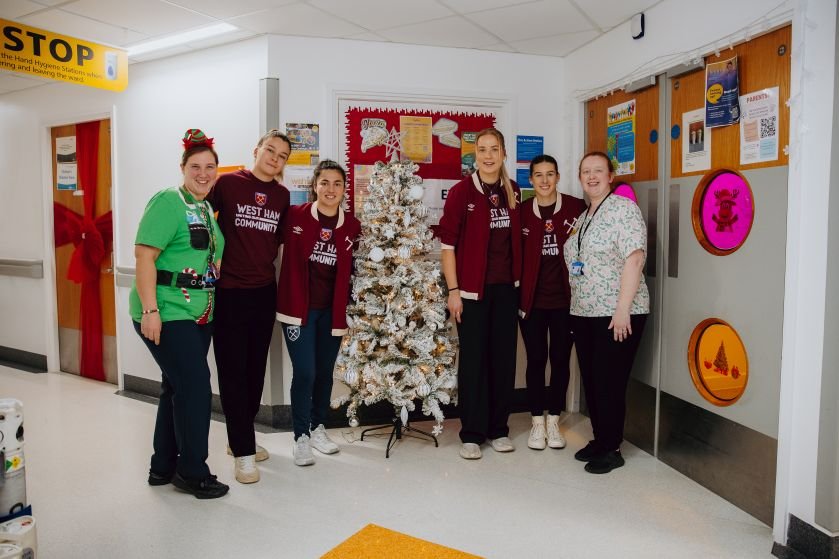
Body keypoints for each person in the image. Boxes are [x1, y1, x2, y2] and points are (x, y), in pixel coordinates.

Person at [129, 129, 229, 498]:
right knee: (197, 388)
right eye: (195, 167)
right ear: (183, 168)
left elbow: (210, 253)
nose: (203, 173)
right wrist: (150, 310)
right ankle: (192, 472)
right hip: (167, 310)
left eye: (210, 167)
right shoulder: (168, 201)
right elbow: (144, 257)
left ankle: (162, 467)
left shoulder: (203, 208)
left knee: (176, 386)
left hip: (198, 313)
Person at [208, 130, 291, 484]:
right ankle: (243, 452)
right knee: (232, 372)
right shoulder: (228, 184)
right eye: (270, 150)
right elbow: (198, 213)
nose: (275, 158)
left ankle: (240, 438)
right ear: (257, 150)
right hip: (228, 292)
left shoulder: (282, 196)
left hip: (263, 292)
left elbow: (283, 242)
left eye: (282, 155)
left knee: (255, 372)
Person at [563, 151, 650, 474]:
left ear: (610, 176)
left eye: (598, 170)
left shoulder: (623, 209)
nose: (591, 176)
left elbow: (634, 258)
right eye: (586, 171)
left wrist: (623, 309)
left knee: (609, 382)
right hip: (585, 312)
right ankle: (600, 440)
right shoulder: (585, 216)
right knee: (593, 380)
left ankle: (612, 448)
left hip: (617, 313)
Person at [438, 127, 521, 460]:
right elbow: (447, 247)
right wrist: (453, 291)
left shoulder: (513, 190)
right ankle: (472, 433)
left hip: (506, 291)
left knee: (503, 361)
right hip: (471, 293)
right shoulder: (462, 192)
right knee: (473, 363)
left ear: (503, 153)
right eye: (482, 149)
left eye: (494, 149)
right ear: (475, 155)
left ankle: (499, 429)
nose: (488, 156)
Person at [275, 160, 361, 466]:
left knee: (324, 373)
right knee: (305, 372)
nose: (330, 189)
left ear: (344, 189)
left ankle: (318, 427)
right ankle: (301, 436)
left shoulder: (351, 226)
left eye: (337, 184)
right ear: (315, 186)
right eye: (324, 182)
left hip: (331, 313)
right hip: (298, 310)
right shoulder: (295, 215)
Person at [518, 155, 585, 451]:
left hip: (565, 302)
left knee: (560, 360)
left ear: (558, 177)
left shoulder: (575, 208)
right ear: (530, 180)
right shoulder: (522, 212)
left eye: (550, 174)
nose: (544, 180)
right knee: (535, 360)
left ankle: (554, 420)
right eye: (538, 175)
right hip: (531, 303)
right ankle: (536, 422)